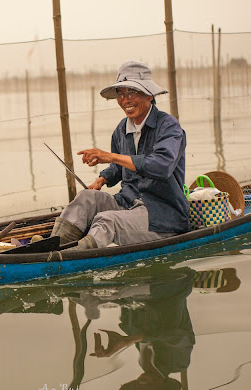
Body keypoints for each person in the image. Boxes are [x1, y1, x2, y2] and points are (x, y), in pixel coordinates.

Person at [51, 61, 190, 250]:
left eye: (132, 92)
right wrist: (102, 179)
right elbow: (119, 167)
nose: (126, 100)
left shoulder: (169, 127)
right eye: (121, 94)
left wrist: (111, 156)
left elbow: (161, 166)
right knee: (86, 198)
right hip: (127, 203)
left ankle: (74, 256)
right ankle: (54, 246)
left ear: (149, 95)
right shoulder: (121, 130)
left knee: (106, 220)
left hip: (162, 215)